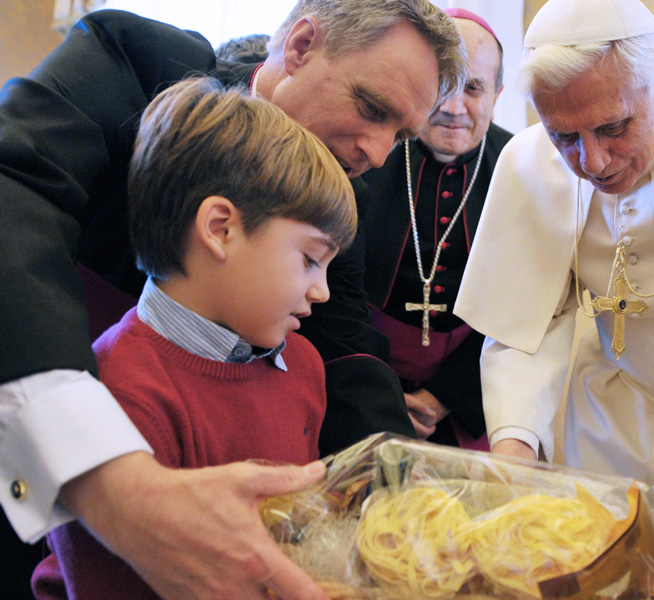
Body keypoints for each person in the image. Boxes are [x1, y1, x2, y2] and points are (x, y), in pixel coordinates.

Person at [0, 2, 464, 599]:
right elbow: (14, 193)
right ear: (299, 46)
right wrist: (111, 484)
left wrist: (404, 493)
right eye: (372, 108)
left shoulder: (339, 185)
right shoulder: (129, 58)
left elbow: (345, 346)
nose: (378, 153)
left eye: (400, 134)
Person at [30, 76, 354, 600]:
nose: (321, 291)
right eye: (311, 259)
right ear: (220, 228)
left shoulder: (304, 363)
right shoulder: (115, 392)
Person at [454, 0, 654, 533]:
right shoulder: (529, 162)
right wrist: (513, 459)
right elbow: (526, 330)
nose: (593, 161)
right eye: (564, 136)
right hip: (600, 428)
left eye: (615, 126)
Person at [361, 7, 512, 450]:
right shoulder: (368, 151)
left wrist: (446, 396)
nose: (452, 108)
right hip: (365, 379)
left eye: (473, 88)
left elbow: (526, 308)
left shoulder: (520, 168)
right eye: (442, 86)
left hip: (472, 392)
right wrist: (382, 394)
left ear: (497, 94)